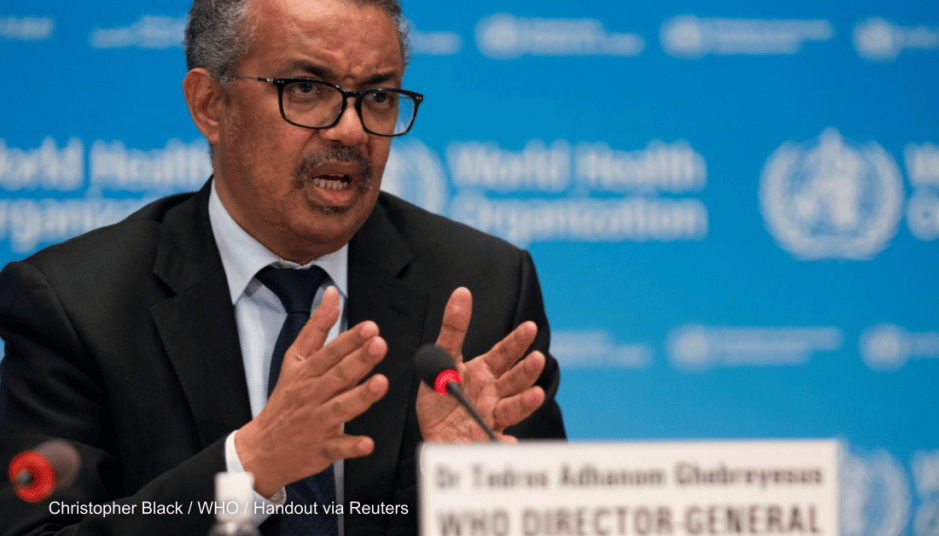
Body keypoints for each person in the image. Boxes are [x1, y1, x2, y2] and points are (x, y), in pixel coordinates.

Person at [0, 0, 566, 534]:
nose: (351, 130)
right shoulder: (75, 306)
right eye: (306, 89)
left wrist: (468, 495)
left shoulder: (482, 289)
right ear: (210, 104)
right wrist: (246, 468)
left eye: (377, 96)